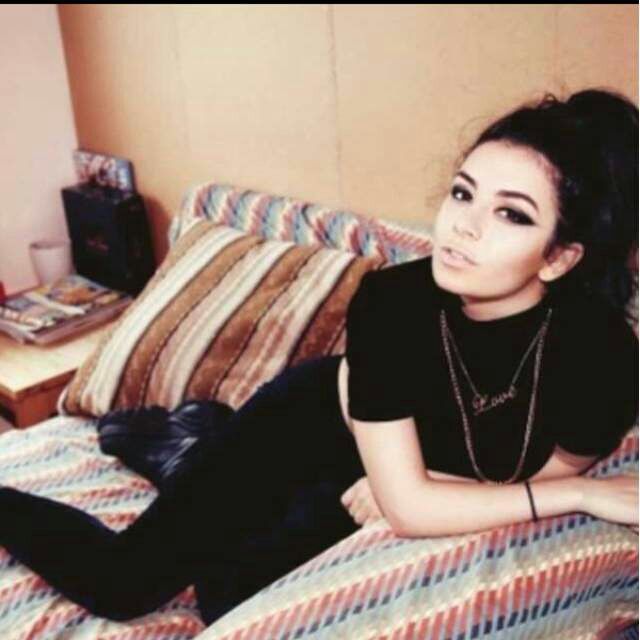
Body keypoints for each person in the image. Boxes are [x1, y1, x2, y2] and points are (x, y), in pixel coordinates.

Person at [0, 87, 637, 626]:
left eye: (512, 215)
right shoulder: (393, 302)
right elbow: (422, 507)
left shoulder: (608, 361)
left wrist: (420, 485)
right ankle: (186, 445)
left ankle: (190, 441)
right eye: (463, 194)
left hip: (388, 464)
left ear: (560, 258)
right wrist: (583, 494)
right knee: (124, 585)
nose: (463, 226)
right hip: (316, 426)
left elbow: (533, 472)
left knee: (234, 601)